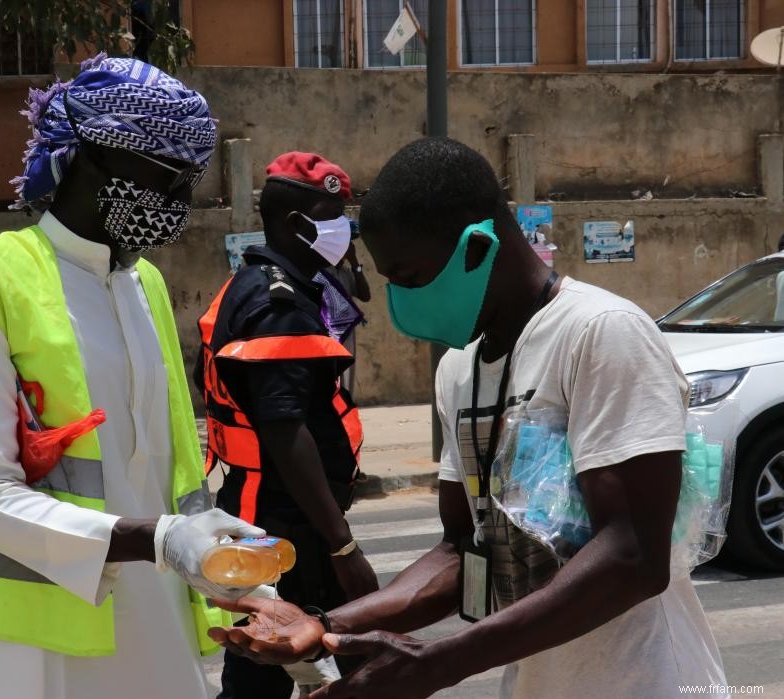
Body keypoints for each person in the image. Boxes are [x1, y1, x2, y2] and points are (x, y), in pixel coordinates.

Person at [209, 138, 728, 699]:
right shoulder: (459, 368)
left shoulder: (600, 333)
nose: (400, 301)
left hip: (646, 681)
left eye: (409, 277)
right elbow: (463, 549)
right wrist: (330, 625)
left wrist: (436, 664)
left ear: (476, 248)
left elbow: (633, 555)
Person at [0, 55, 266, 699]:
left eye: (190, 179)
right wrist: (161, 538)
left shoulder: (146, 284)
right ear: (86, 161)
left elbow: (165, 473)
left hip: (151, 616)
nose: (180, 201)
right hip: (24, 644)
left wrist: (222, 562)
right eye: (166, 176)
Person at [195, 152, 379, 699]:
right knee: (302, 665)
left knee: (277, 665)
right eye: (332, 214)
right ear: (297, 222)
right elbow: (283, 430)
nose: (343, 227)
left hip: (275, 515)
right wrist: (343, 548)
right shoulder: (278, 302)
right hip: (285, 527)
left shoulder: (262, 280)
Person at [321, 239, 371, 394]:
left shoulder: (346, 272)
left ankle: (346, 411)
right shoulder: (321, 272)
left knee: (347, 383)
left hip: (347, 336)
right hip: (327, 334)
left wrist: (355, 262)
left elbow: (365, 295)